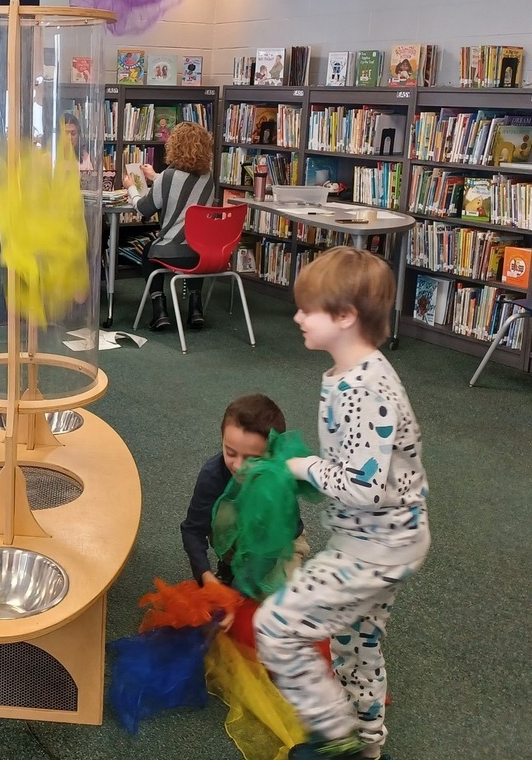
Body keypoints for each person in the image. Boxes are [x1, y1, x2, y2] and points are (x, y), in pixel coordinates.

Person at [254, 247, 431, 760]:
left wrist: (302, 467)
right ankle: (369, 746)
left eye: (308, 309)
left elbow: (364, 487)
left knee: (275, 627)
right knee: (357, 643)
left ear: (345, 317)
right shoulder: (350, 372)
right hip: (388, 539)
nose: (296, 317)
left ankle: (338, 737)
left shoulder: (364, 388)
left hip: (374, 546)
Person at [181, 394, 306, 591]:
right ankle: (230, 564)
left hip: (280, 543)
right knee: (225, 513)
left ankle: (245, 575)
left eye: (251, 458)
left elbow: (271, 548)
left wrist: (241, 589)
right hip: (242, 532)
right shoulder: (212, 474)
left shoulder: (279, 481)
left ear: (272, 454)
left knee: (281, 600)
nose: (238, 465)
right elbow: (193, 529)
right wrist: (204, 575)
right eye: (230, 452)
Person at [122, 121, 214, 331]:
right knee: (192, 250)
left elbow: (145, 209)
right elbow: (182, 187)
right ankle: (195, 308)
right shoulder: (208, 178)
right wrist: (155, 176)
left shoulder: (168, 177)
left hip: (172, 250)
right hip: (202, 251)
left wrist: (132, 188)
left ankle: (159, 310)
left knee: (148, 252)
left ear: (175, 146)